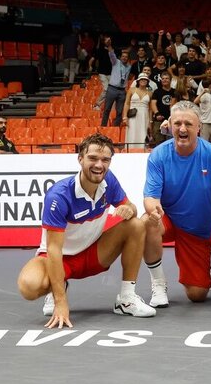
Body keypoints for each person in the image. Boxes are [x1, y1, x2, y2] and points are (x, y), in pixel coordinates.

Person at [17, 133, 155, 328]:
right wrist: (61, 301)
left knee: (136, 225)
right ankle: (57, 288)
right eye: (93, 158)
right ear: (80, 159)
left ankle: (126, 298)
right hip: (59, 259)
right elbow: (54, 251)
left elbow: (131, 207)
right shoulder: (59, 195)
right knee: (28, 286)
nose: (99, 165)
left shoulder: (109, 182)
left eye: (105, 160)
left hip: (94, 253)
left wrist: (129, 209)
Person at [143, 101, 211, 308]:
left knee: (197, 295)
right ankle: (158, 285)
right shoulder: (158, 155)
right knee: (146, 223)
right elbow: (150, 197)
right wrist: (154, 209)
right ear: (169, 125)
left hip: (197, 231)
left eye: (188, 124)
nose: (182, 128)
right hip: (167, 220)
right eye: (177, 123)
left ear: (199, 127)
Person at [123, 73, 153, 150]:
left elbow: (150, 109)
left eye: (145, 79)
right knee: (132, 133)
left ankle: (142, 150)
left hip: (144, 115)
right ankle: (130, 150)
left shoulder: (150, 93)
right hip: (132, 116)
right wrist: (125, 117)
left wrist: (150, 121)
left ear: (147, 81)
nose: (143, 81)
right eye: (141, 79)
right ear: (138, 81)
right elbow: (126, 104)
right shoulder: (131, 90)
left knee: (143, 133)